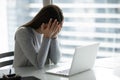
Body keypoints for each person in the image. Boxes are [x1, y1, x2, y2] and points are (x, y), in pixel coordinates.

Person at [13, 4, 64, 69]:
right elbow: (38, 64)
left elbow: (56, 60)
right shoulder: (23, 33)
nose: (55, 29)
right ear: (45, 23)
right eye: (54, 27)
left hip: (39, 74)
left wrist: (54, 37)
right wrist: (47, 37)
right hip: (23, 75)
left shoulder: (48, 34)